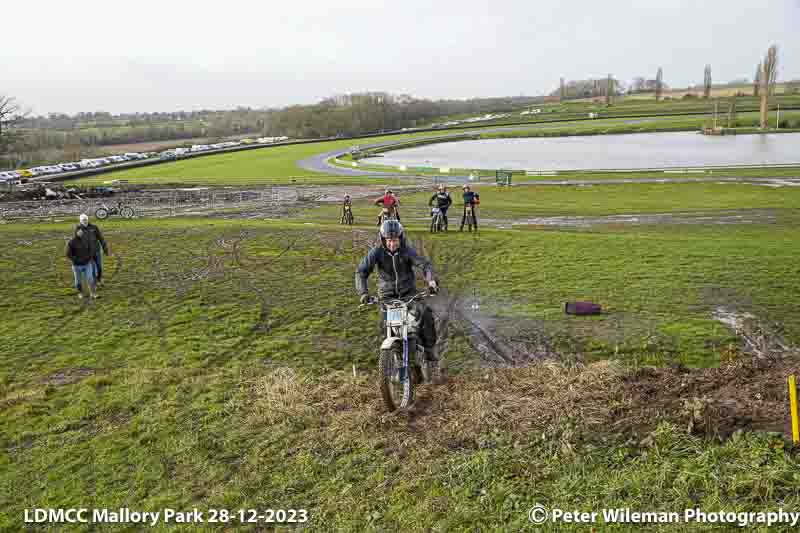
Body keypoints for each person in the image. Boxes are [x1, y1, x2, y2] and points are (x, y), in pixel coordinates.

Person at [355, 220, 441, 380]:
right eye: (388, 240)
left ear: (400, 239)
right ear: (383, 240)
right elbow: (361, 272)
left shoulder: (406, 251)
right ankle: (392, 363)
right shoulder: (376, 252)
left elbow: (424, 265)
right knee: (386, 328)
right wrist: (363, 293)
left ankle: (431, 356)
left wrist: (431, 282)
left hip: (409, 294)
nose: (392, 244)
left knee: (425, 314)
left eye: (395, 240)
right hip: (387, 297)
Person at [65, 226, 97, 299]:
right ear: (76, 232)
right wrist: (76, 260)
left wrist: (89, 257)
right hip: (76, 266)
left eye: (82, 231)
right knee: (78, 280)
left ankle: (93, 293)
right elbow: (68, 254)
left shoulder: (86, 240)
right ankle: (80, 293)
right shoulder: (71, 242)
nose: (81, 233)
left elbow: (91, 249)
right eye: (79, 231)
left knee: (90, 278)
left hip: (87, 264)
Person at [77, 213, 109, 284]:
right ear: (80, 221)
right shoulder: (78, 229)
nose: (85, 221)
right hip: (87, 252)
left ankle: (99, 278)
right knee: (92, 268)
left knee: (99, 266)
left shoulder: (94, 227)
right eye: (83, 220)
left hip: (96, 250)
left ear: (88, 220)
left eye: (85, 220)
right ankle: (95, 281)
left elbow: (101, 238)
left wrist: (105, 249)